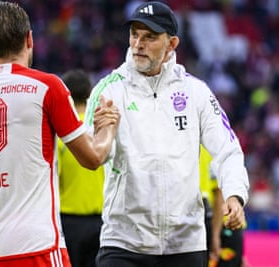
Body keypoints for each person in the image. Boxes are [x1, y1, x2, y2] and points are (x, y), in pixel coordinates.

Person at [0, 2, 120, 267]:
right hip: (37, 247)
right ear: (30, 38)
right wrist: (107, 127)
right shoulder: (48, 87)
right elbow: (93, 158)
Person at [83, 2, 249, 267]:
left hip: (185, 244)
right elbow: (91, 152)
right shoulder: (109, 90)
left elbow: (228, 150)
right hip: (124, 243)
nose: (138, 44)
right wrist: (102, 137)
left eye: (149, 37)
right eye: (135, 34)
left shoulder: (196, 92)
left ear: (172, 44)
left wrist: (234, 195)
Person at [58, 69, 104, 267]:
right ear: (90, 92)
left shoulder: (59, 134)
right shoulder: (104, 128)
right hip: (103, 221)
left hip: (69, 222)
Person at [199, 146, 248, 267]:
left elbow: (219, 195)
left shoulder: (208, 147)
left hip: (223, 223)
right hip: (215, 221)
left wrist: (215, 236)